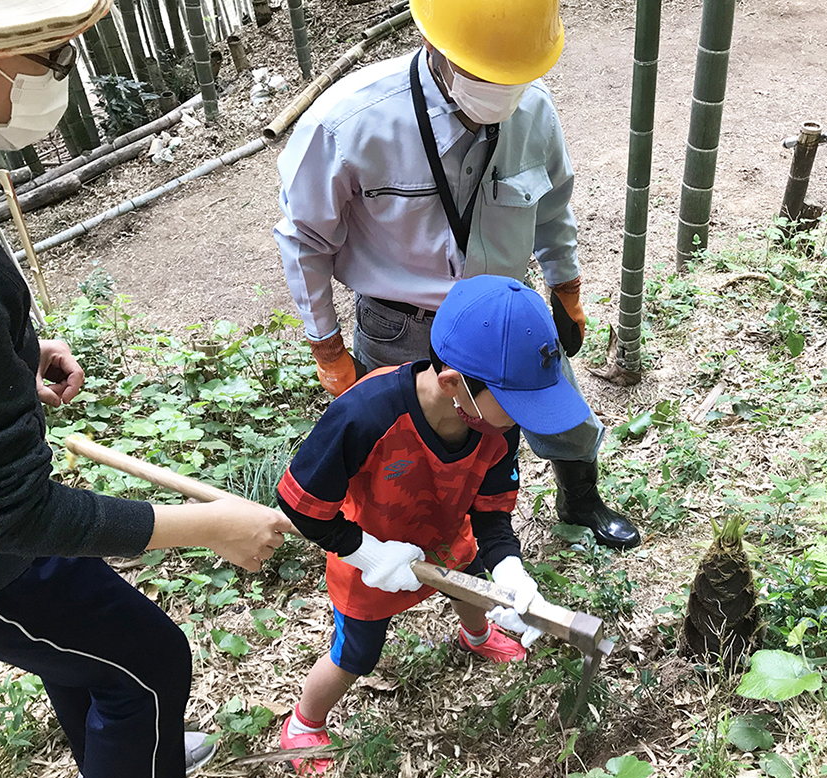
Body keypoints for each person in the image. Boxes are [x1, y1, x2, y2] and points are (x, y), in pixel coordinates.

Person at [0, 1, 293, 778]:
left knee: (91, 650)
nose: (56, 75)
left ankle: (127, 749)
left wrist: (12, 356)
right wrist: (207, 525)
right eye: (43, 54)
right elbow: (8, 510)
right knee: (152, 659)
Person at [273, 0, 641, 551]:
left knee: (549, 413)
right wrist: (326, 345)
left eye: (511, 74)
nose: (498, 88)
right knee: (402, 447)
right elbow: (305, 238)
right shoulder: (349, 123)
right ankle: (419, 542)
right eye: (479, 71)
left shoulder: (534, 110)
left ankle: (575, 500)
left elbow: (553, 207)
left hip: (506, 314)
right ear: (433, 44)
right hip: (402, 325)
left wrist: (565, 286)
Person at [275, 275, 578, 778]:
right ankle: (305, 723)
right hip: (370, 556)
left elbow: (491, 510)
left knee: (475, 587)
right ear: (454, 383)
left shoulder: (497, 422)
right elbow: (301, 505)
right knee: (357, 653)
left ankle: (476, 635)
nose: (526, 416)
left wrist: (510, 569)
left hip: (445, 532)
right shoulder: (365, 414)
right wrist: (364, 551)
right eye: (519, 402)